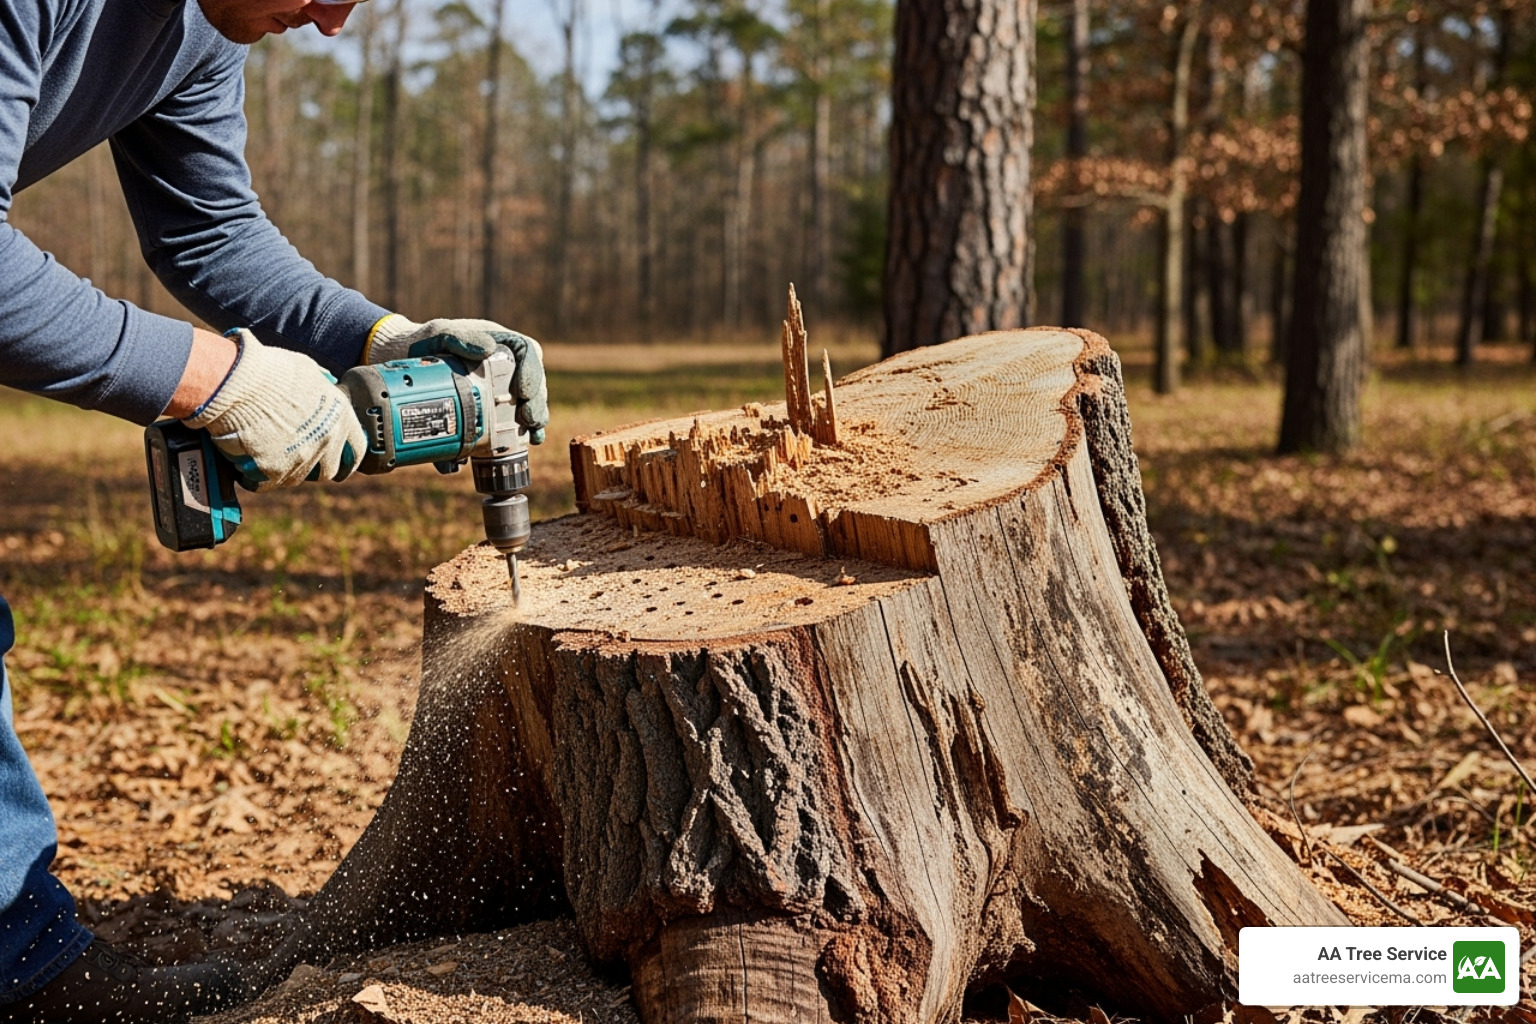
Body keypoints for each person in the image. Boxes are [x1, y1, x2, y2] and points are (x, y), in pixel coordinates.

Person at [0, 0, 548, 1018]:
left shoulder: (207, 25)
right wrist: (212, 379)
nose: (335, 21)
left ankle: (12, 958)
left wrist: (383, 340)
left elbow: (210, 231)